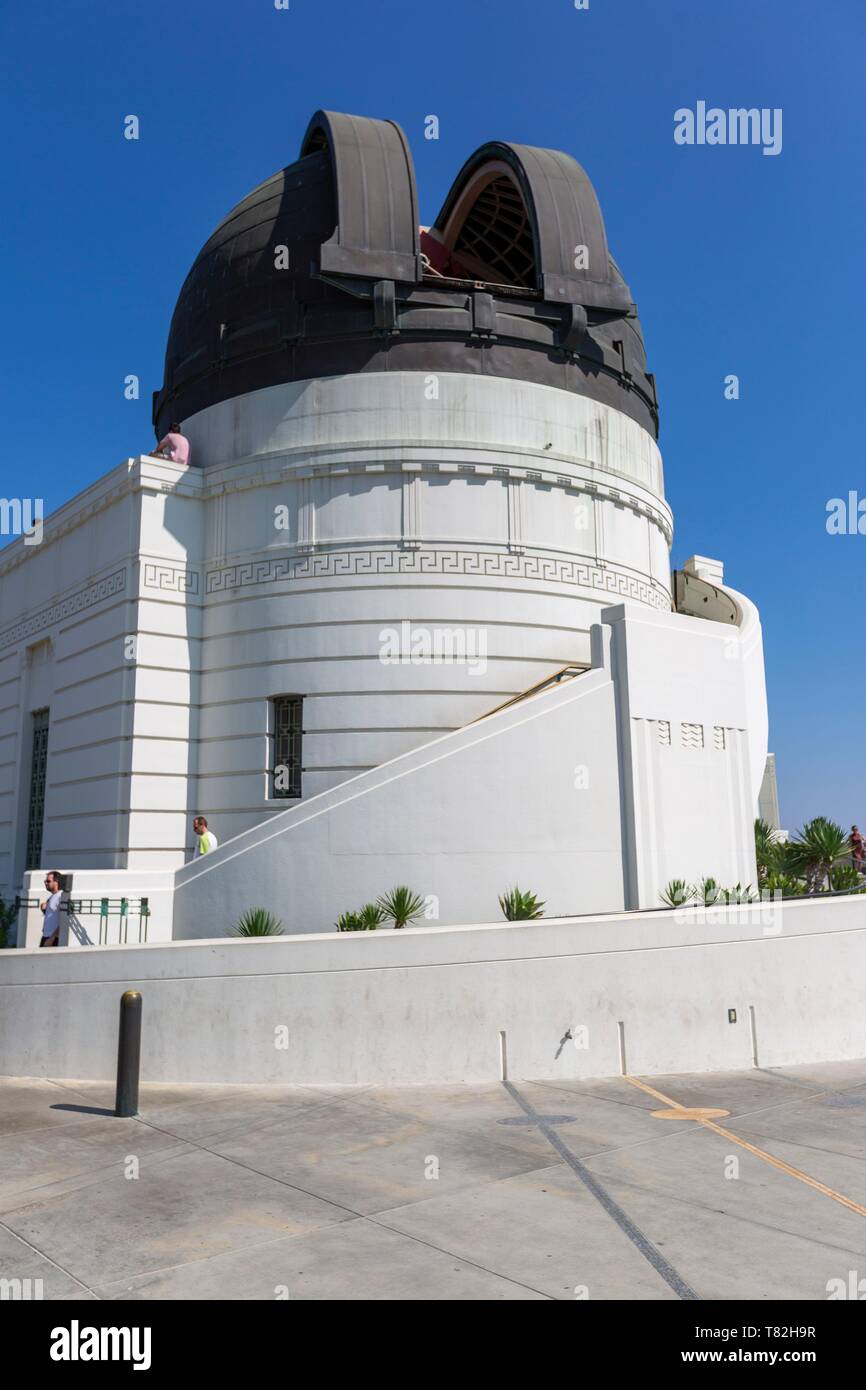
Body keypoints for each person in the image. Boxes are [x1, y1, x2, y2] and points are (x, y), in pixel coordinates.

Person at [39, 870, 64, 947]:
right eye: (45, 881)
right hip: (46, 936)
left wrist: (52, 938)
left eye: (48, 881)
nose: (45, 883)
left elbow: (63, 921)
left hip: (53, 939)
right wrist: (44, 909)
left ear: (56, 882)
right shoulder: (52, 896)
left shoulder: (61, 896)